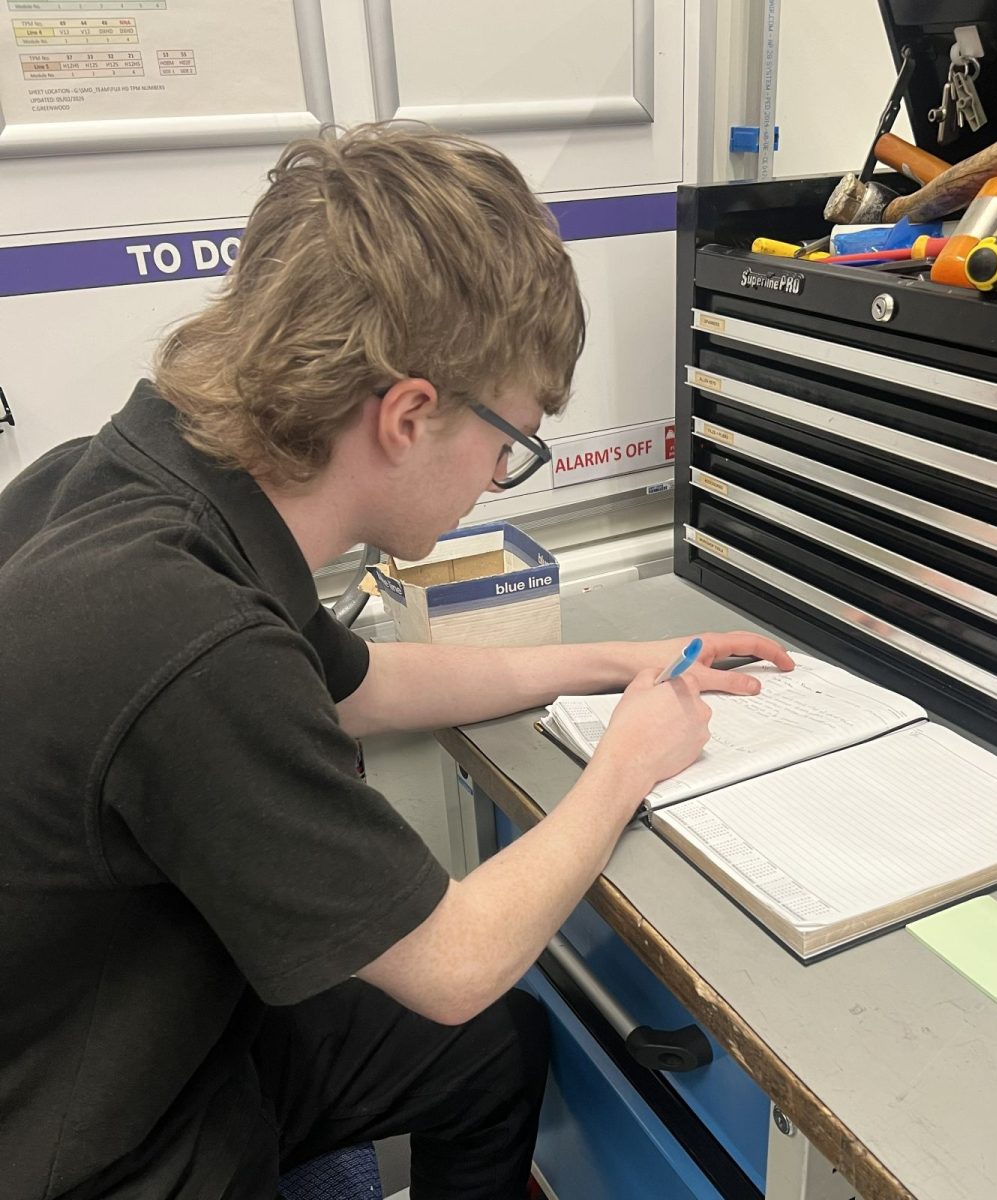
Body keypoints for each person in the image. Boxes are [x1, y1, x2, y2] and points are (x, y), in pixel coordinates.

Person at [0, 122, 792, 1200]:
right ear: (411, 415)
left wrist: (623, 659)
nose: (496, 476)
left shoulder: (135, 486)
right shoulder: (188, 640)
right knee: (473, 1010)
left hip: (137, 1012)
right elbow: (454, 964)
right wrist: (626, 768)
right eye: (509, 442)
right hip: (100, 1142)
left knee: (491, 1060)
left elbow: (362, 683)